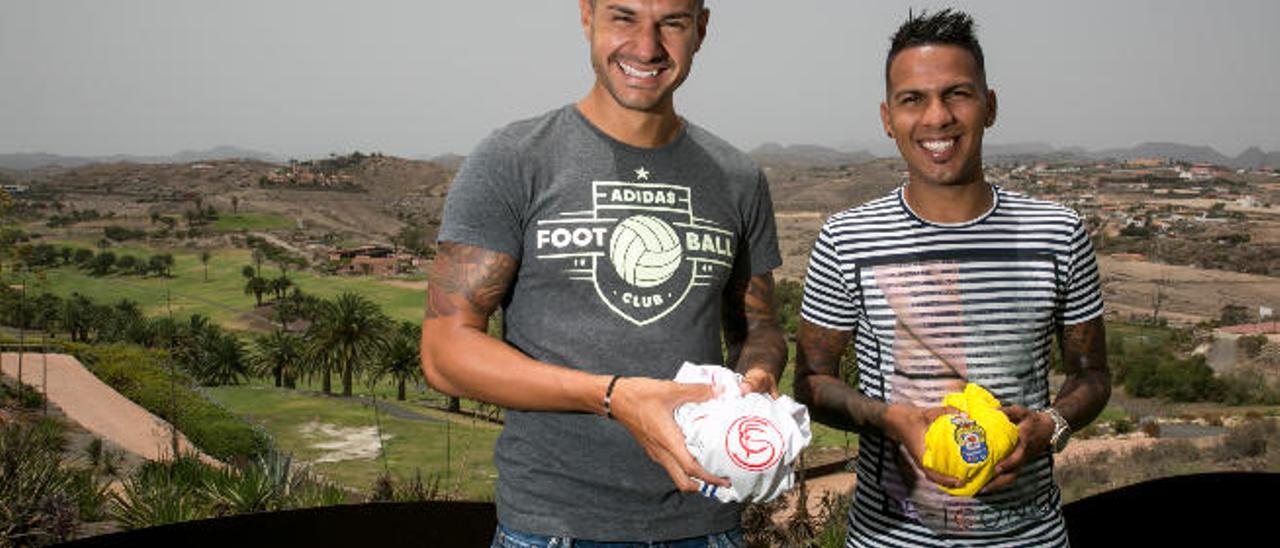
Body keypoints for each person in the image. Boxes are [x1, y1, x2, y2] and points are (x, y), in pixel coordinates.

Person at [419, 1, 786, 546]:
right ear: (586, 15)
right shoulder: (514, 159)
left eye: (672, 23)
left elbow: (759, 329)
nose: (646, 46)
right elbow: (445, 353)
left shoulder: (737, 178)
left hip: (706, 525)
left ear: (701, 30)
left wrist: (755, 381)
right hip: (554, 529)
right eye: (624, 16)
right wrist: (614, 396)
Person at [794, 9, 1110, 547]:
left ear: (989, 107)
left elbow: (1093, 375)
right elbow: (811, 384)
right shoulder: (846, 237)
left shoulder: (1058, 233)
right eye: (912, 99)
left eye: (957, 94)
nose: (936, 118)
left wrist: (1047, 429)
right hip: (887, 537)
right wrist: (892, 419)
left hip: (1028, 536)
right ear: (887, 117)